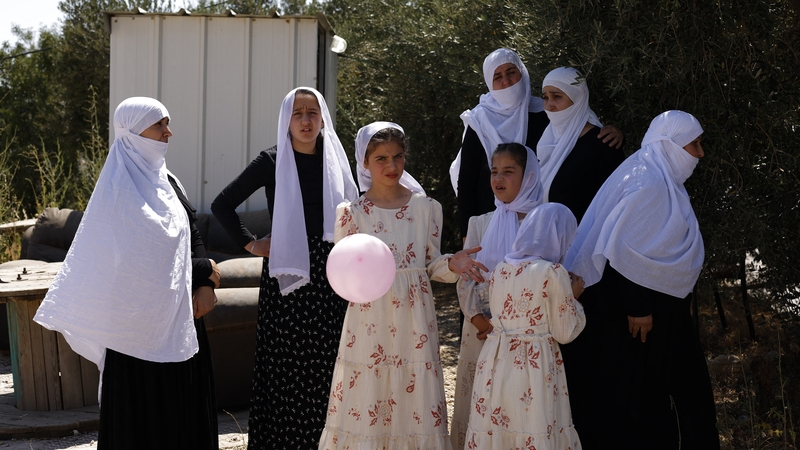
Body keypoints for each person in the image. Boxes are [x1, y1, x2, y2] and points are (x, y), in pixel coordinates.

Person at [34, 97, 219, 449]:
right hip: (136, 333)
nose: (169, 132)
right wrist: (206, 269)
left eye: (167, 123)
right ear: (134, 132)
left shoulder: (168, 180)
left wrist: (205, 280)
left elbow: (189, 231)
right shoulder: (117, 192)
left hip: (180, 322)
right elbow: (145, 257)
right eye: (159, 125)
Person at [210, 87, 358, 448]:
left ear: (323, 117)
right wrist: (251, 243)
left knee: (328, 358)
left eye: (312, 112)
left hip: (332, 270)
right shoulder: (271, 160)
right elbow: (222, 204)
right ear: (286, 120)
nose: (306, 120)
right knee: (286, 364)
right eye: (298, 113)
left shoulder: (335, 159)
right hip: (287, 270)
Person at [563, 110, 719, 449]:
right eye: (694, 145)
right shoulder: (647, 183)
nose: (700, 153)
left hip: (660, 311)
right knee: (651, 397)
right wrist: (639, 308)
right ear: (670, 145)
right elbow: (621, 249)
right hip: (640, 316)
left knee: (674, 392)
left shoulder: (656, 177)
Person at [318, 122, 479, 449]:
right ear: (364, 162)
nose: (391, 166)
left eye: (398, 156)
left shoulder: (426, 208)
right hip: (369, 319)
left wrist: (452, 263)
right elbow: (343, 271)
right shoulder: (351, 213)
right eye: (381, 158)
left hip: (414, 320)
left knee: (414, 390)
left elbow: (430, 263)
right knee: (369, 390)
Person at [450, 48, 623, 238]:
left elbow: (578, 126)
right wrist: (468, 233)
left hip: (539, 225)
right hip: (491, 221)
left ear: (522, 73)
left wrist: (615, 133)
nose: (506, 81)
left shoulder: (545, 113)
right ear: (489, 82)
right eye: (497, 77)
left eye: (511, 72)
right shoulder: (479, 121)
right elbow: (467, 180)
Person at [466, 203, 585, 449]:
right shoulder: (553, 273)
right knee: (534, 429)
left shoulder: (501, 270)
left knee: (499, 430)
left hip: (495, 364)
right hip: (534, 368)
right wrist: (573, 298)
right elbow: (565, 332)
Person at [450, 142, 543, 448]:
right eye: (493, 171)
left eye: (508, 171)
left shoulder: (542, 223)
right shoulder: (480, 223)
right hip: (481, 333)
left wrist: (509, 325)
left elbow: (546, 281)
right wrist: (480, 320)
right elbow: (467, 277)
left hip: (523, 337)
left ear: (528, 175)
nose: (498, 178)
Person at [538, 66, 626, 223]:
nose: (549, 105)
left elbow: (615, 206)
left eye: (557, 96)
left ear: (577, 98)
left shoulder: (605, 144)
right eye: (545, 97)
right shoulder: (546, 141)